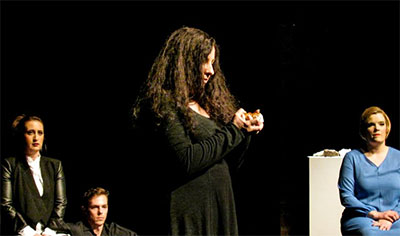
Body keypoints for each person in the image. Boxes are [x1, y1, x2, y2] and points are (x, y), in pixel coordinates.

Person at [131, 26, 264, 235]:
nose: (211, 70)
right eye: (205, 61)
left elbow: (228, 162)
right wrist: (234, 131)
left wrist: (246, 131)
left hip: (220, 208)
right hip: (190, 215)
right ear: (186, 62)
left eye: (213, 62)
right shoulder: (165, 105)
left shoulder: (208, 104)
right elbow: (187, 159)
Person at [1, 114, 68, 236]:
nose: (36, 137)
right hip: (22, 231)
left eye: (40, 133)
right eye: (30, 132)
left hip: (51, 231)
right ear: (22, 136)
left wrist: (50, 231)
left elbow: (61, 202)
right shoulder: (10, 165)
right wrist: (27, 231)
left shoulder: (55, 165)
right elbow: (6, 204)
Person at [338, 106, 400, 235]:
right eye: (371, 125)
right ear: (363, 130)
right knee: (370, 234)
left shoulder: (398, 157)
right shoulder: (352, 158)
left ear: (387, 128)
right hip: (362, 217)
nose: (376, 128)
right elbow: (346, 196)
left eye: (381, 124)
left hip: (395, 217)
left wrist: (392, 217)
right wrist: (376, 214)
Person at [66, 187, 137, 236]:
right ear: (85, 209)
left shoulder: (114, 231)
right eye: (95, 207)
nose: (100, 211)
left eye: (104, 207)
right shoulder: (75, 231)